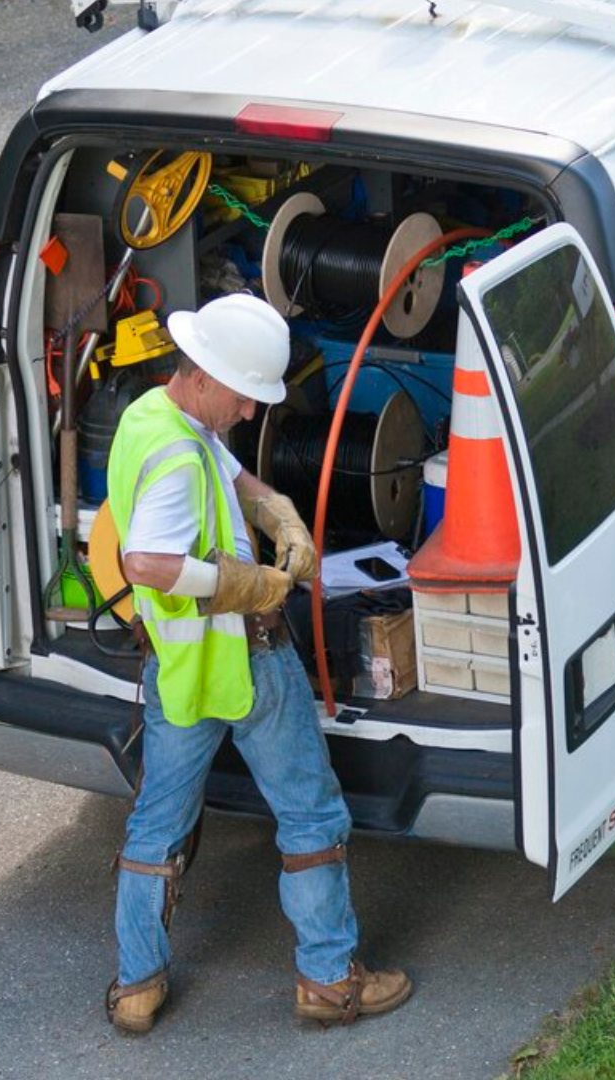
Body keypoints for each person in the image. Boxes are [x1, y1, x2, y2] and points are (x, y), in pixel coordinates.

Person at [100, 292, 411, 1033]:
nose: (248, 412)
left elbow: (230, 474)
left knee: (156, 826)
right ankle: (330, 982)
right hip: (249, 660)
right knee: (310, 815)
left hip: (179, 675)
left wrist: (280, 514)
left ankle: (137, 985)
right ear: (205, 375)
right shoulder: (180, 452)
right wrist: (247, 584)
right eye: (243, 397)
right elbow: (145, 561)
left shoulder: (157, 415)